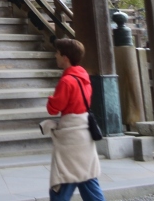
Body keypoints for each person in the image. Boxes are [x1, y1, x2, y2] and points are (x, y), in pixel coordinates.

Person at [41, 38, 104, 201]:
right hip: (84, 132)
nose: (55, 55)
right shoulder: (84, 77)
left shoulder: (67, 81)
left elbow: (54, 108)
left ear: (65, 57)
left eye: (57, 53)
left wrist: (50, 98)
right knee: (87, 179)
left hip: (70, 137)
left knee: (63, 181)